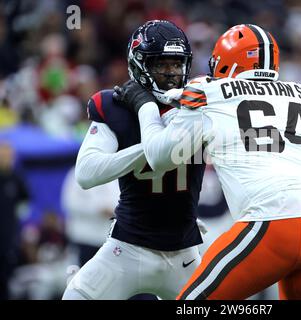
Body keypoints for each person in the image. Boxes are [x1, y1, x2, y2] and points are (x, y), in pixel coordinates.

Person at [114, 24, 301, 300]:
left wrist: (144, 105)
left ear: (227, 62)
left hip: (274, 218)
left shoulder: (208, 92)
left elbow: (157, 155)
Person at [62, 20, 206, 300]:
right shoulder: (114, 105)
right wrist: (155, 147)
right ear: (139, 64)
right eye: (161, 64)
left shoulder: (199, 104)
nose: (171, 73)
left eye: (177, 64)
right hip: (128, 246)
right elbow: (87, 173)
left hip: (184, 251)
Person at [61, 166, 119, 267]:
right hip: (85, 239)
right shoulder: (77, 173)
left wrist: (114, 209)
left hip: (108, 240)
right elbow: (69, 202)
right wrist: (99, 209)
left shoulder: (114, 171)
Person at [0, 142, 29, 299]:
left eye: (8, 155)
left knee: (8, 278)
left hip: (8, 237)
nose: (6, 158)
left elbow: (26, 200)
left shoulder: (15, 178)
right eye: (3, 154)